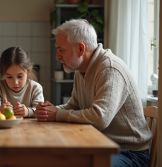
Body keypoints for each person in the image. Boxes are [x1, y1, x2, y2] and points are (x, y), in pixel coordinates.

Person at [35, 19, 153, 167]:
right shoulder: (81, 70)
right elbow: (74, 106)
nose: (57, 56)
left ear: (80, 49)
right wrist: (41, 111)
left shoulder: (110, 69)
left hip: (129, 153)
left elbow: (100, 118)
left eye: (61, 50)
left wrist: (57, 114)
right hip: (100, 146)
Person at [0, 47, 44, 117]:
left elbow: (40, 111)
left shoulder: (35, 88)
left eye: (20, 76)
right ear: (3, 73)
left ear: (28, 71)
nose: (15, 82)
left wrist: (28, 112)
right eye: (9, 77)